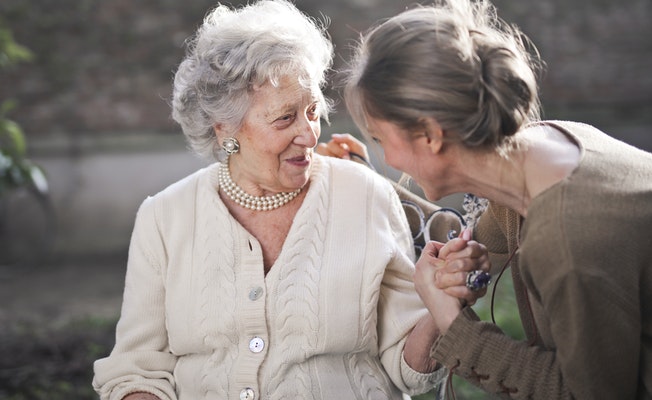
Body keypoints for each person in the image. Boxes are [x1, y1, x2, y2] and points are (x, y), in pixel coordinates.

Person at [92, 1, 491, 399]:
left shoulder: (365, 196)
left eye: (313, 111)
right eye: (285, 118)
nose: (309, 134)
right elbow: (136, 370)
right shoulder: (164, 217)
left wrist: (441, 304)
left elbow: (410, 370)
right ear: (224, 130)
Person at [334, 0, 652, 398]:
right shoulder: (548, 144)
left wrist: (454, 325)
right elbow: (475, 241)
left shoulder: (568, 241)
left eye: (381, 140)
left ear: (430, 135)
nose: (389, 158)